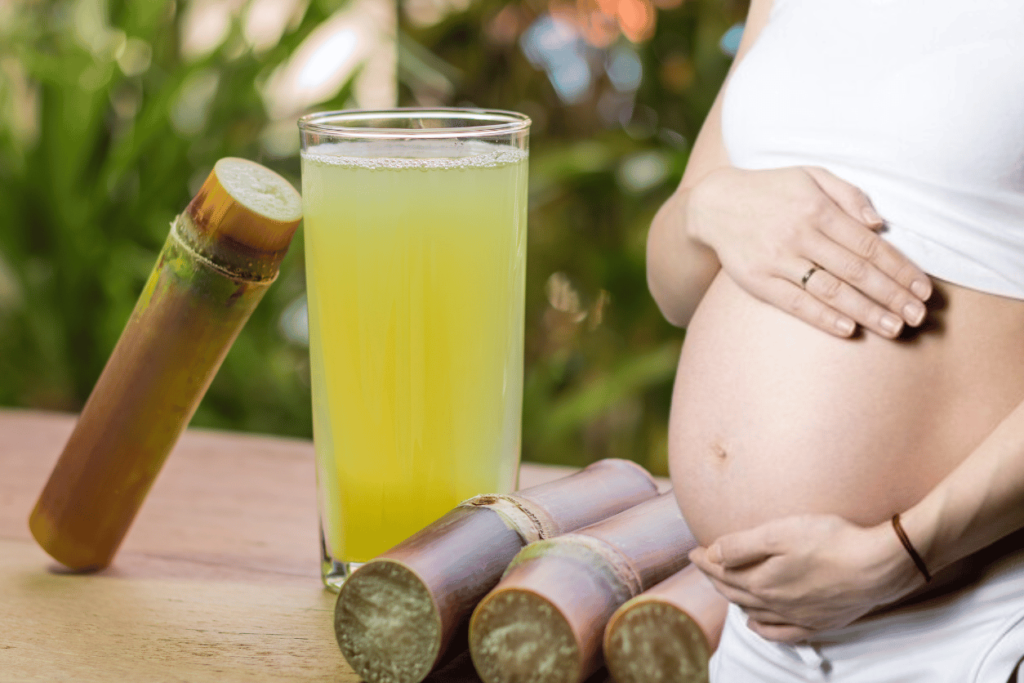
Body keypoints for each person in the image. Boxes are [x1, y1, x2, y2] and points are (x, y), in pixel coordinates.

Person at [646, 0, 1024, 680]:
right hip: (762, 642)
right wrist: (709, 207)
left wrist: (904, 551)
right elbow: (673, 288)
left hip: (975, 626)